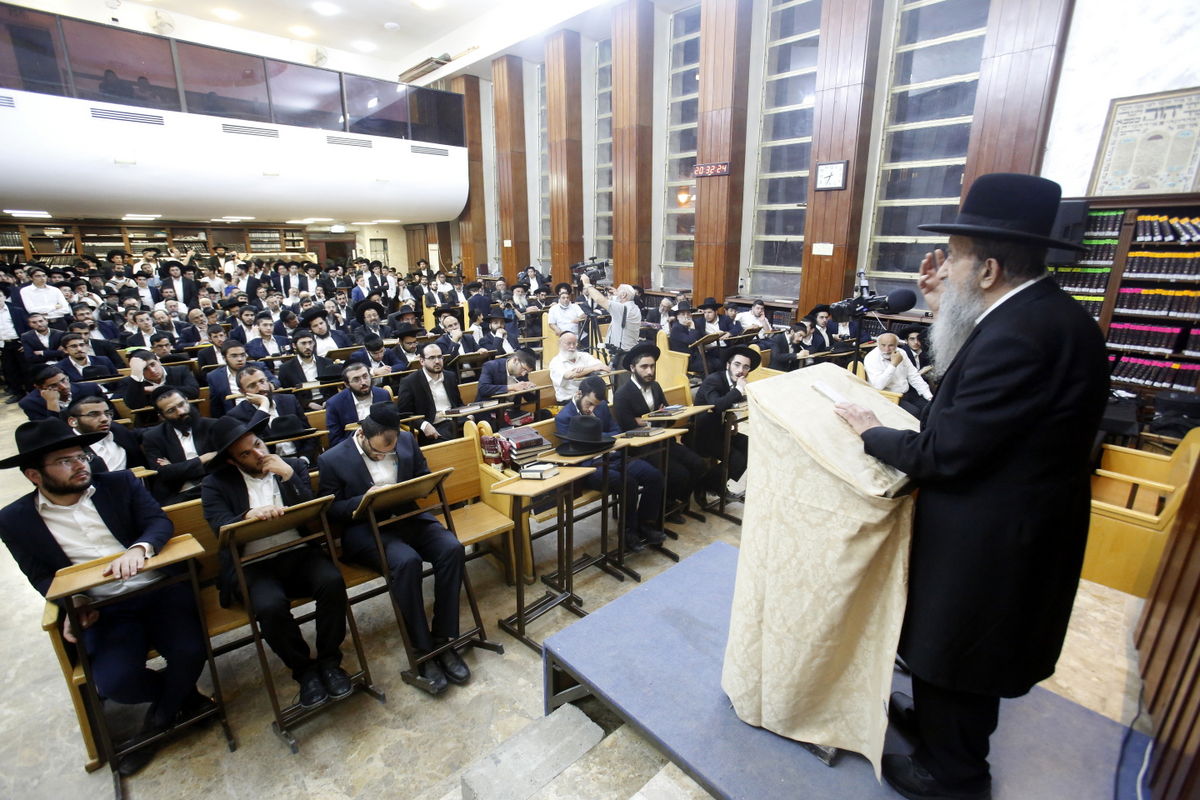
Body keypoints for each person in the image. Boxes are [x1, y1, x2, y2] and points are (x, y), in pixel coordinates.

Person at [833, 173, 1109, 800]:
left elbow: (946, 450)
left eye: (953, 257)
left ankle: (950, 773)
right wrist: (940, 309)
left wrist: (872, 430)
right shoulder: (1042, 315)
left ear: (986, 270)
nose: (942, 268)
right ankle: (934, 729)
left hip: (994, 539)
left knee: (960, 645)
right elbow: (974, 403)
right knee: (952, 645)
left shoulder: (1020, 334)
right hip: (1014, 524)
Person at [0, 418, 212, 776]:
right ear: (34, 475)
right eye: (65, 461)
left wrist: (140, 548)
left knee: (190, 650)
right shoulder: (15, 520)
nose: (81, 463)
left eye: (80, 455)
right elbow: (40, 575)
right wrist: (76, 601)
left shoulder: (119, 483)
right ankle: (185, 700)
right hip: (103, 607)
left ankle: (156, 726)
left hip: (158, 588)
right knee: (117, 683)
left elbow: (158, 522)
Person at [201, 414, 353, 709]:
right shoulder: (216, 484)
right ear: (233, 461)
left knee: (332, 582)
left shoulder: (291, 466)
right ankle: (304, 671)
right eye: (246, 453)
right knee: (269, 607)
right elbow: (218, 526)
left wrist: (290, 477)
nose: (258, 454)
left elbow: (313, 515)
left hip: (298, 553)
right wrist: (247, 517)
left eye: (257, 444)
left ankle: (330, 662)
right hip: (253, 564)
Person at [318, 403, 470, 695]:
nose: (384, 456)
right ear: (362, 435)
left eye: (390, 451)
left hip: (407, 516)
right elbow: (329, 510)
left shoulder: (406, 439)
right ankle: (421, 650)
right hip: (365, 529)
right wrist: (363, 500)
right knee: (407, 562)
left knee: (452, 548)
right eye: (378, 453)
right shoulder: (332, 459)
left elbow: (423, 474)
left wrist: (415, 486)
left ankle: (443, 638)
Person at [555, 376, 665, 551]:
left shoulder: (601, 407)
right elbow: (570, 451)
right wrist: (599, 442)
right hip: (590, 467)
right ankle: (628, 532)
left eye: (596, 405)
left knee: (654, 476)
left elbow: (616, 431)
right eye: (589, 404)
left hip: (613, 457)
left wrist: (603, 439)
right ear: (579, 394)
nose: (592, 409)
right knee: (628, 483)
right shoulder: (564, 417)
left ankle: (645, 525)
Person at [612, 344, 714, 520]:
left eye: (652, 366)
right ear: (632, 368)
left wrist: (652, 419)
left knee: (699, 464)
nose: (649, 371)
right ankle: (661, 509)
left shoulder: (656, 387)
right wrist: (654, 419)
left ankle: (671, 503)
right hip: (641, 450)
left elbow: (668, 416)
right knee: (678, 473)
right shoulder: (622, 394)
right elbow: (628, 428)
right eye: (644, 367)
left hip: (663, 439)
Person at [694, 346, 758, 501]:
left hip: (720, 430)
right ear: (728, 365)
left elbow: (732, 406)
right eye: (737, 365)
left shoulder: (735, 383)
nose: (741, 370)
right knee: (736, 458)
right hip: (701, 434)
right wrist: (738, 390)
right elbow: (717, 406)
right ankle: (705, 484)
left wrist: (734, 420)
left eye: (745, 367)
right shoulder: (714, 380)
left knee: (749, 445)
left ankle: (715, 484)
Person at [142, 386, 221, 504]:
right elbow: (165, 473)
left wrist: (176, 468)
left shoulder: (213, 425)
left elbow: (222, 461)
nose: (181, 412)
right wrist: (203, 459)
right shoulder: (153, 437)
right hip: (180, 494)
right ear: (162, 416)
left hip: (216, 486)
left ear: (187, 400)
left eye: (181, 404)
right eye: (171, 410)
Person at [226, 366, 315, 461]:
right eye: (252, 386)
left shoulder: (289, 400)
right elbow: (251, 445)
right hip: (267, 465)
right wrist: (264, 406)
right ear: (243, 392)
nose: (260, 388)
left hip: (301, 458)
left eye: (262, 381)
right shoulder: (236, 414)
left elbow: (309, 435)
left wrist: (304, 459)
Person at [397, 343, 464, 443]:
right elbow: (404, 414)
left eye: (440, 357)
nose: (437, 361)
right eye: (432, 358)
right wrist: (424, 425)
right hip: (433, 426)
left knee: (483, 425)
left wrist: (469, 415)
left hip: (455, 420)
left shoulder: (450, 376)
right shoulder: (409, 382)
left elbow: (458, 403)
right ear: (422, 361)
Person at [64, 396, 144, 472]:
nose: (105, 419)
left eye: (107, 413)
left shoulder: (118, 430)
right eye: (93, 414)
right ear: (73, 421)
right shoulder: (67, 447)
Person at [863, 332, 933, 417]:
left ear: (897, 345)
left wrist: (929, 396)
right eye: (883, 345)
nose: (886, 349)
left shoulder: (901, 352)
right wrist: (893, 365)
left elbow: (913, 376)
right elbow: (878, 386)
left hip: (906, 393)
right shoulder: (871, 357)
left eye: (891, 345)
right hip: (888, 397)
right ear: (878, 344)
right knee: (915, 413)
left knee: (930, 408)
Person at [325, 361, 391, 447]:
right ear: (347, 384)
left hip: (384, 444)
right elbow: (335, 440)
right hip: (354, 449)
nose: (363, 382)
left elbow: (392, 426)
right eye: (356, 379)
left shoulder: (383, 394)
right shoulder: (334, 404)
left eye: (365, 376)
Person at [580, 275, 641, 365]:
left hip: (621, 355)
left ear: (624, 295)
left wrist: (587, 284)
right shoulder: (633, 307)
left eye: (618, 292)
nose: (616, 294)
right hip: (627, 351)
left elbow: (599, 299)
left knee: (618, 378)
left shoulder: (622, 308)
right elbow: (613, 300)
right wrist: (616, 293)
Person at [118, 350, 200, 412]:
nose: (152, 370)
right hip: (151, 422)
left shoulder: (180, 370)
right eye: (145, 368)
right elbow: (134, 405)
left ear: (158, 361)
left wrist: (158, 389)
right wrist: (137, 377)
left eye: (153, 364)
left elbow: (194, 392)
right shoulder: (131, 381)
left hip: (184, 412)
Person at [277, 329, 339, 410]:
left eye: (310, 342)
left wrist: (329, 401)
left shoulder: (327, 362)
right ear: (294, 346)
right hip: (302, 406)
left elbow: (334, 388)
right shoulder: (286, 368)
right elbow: (287, 395)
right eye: (303, 343)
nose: (308, 347)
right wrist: (307, 404)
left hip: (329, 403)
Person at [20, 365, 104, 421]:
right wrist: (52, 403)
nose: (63, 387)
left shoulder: (89, 388)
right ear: (39, 388)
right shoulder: (30, 403)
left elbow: (110, 413)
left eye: (64, 380)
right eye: (53, 386)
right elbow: (50, 431)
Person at [548, 331, 606, 403]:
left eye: (574, 343)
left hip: (588, 397)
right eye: (568, 343)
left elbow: (604, 367)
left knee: (603, 403)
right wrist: (592, 368)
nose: (572, 347)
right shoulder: (555, 362)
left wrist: (584, 370)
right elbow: (569, 375)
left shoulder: (584, 356)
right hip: (569, 400)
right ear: (560, 344)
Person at [478, 349, 539, 414]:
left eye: (527, 372)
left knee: (543, 415)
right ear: (515, 360)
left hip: (512, 412)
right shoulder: (491, 366)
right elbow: (483, 388)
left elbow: (529, 399)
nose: (523, 374)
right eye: (523, 369)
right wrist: (512, 387)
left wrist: (532, 390)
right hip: (490, 411)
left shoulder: (523, 374)